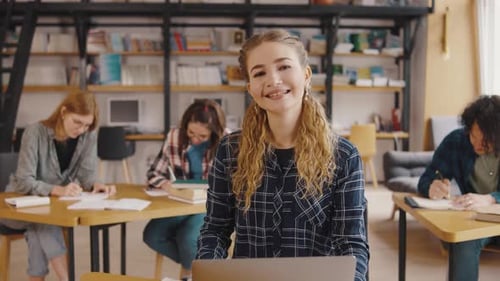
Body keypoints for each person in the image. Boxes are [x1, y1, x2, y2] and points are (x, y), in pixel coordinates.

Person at [196, 29, 369, 281]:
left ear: (306, 75)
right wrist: (207, 274)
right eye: (259, 73)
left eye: (284, 67)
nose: (273, 80)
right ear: (250, 88)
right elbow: (215, 230)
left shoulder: (344, 155)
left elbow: (351, 243)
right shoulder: (230, 150)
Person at [0, 91, 115, 281]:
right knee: (44, 222)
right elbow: (23, 181)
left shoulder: (88, 136)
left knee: (40, 228)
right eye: (77, 122)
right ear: (63, 112)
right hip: (16, 206)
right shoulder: (35, 132)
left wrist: (97, 184)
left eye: (86, 125)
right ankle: (68, 279)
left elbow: (87, 175)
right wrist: (56, 190)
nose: (81, 129)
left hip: (50, 210)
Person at [418, 95, 500, 281]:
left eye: (485, 141)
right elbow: (426, 178)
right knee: (463, 241)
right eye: (473, 136)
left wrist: (491, 198)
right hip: (476, 220)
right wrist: (432, 187)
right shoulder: (456, 141)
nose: (477, 145)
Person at [144, 99, 227, 281]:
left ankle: (191, 275)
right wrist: (166, 184)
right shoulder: (174, 136)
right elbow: (154, 172)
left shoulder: (225, 142)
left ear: (213, 133)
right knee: (152, 235)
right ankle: (202, 270)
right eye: (191, 133)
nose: (195, 139)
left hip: (208, 206)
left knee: (189, 237)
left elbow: (233, 184)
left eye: (202, 137)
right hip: (180, 203)